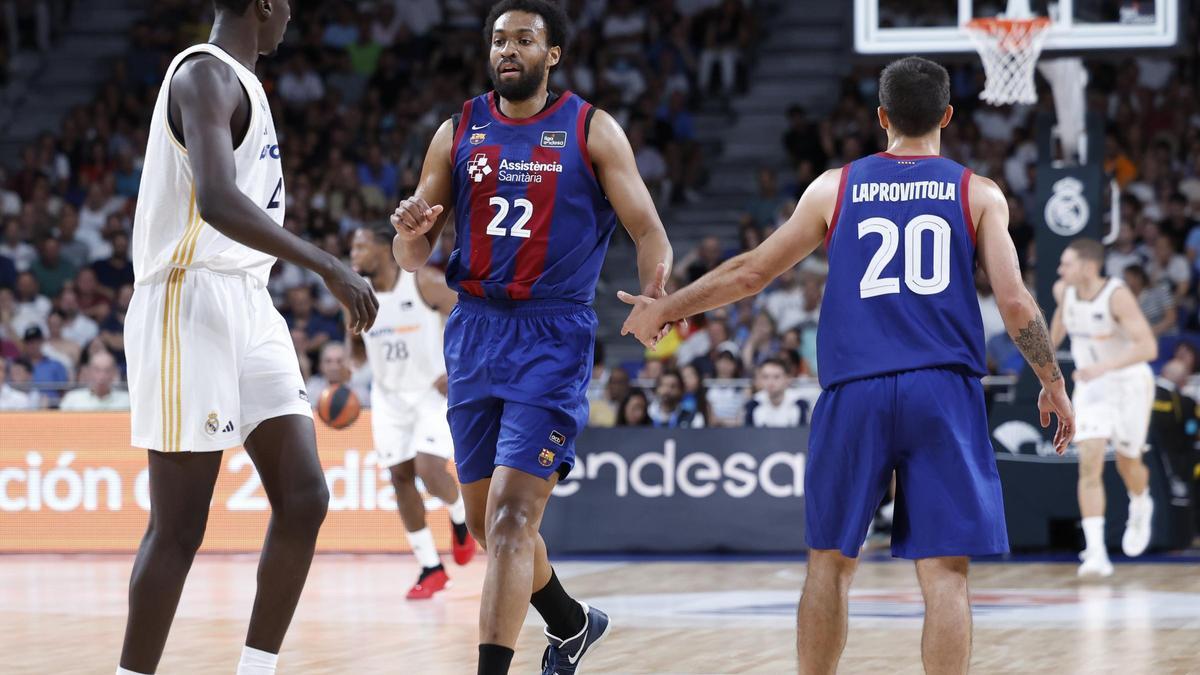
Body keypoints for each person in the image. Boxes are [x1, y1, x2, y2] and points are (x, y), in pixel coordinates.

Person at [619, 56, 1073, 674]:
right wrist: (1052, 380)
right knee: (944, 574)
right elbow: (1016, 303)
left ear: (881, 117)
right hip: (942, 390)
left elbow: (751, 271)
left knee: (829, 564)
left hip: (855, 389)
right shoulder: (978, 192)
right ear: (946, 114)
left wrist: (666, 309)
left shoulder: (835, 186)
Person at [389, 2, 672, 671]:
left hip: (552, 334)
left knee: (516, 522)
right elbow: (409, 256)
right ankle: (572, 623)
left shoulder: (591, 129)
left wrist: (656, 292)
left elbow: (649, 230)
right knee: (492, 527)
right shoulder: (458, 128)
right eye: (498, 39)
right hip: (475, 330)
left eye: (524, 39)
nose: (508, 49)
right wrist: (407, 232)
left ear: (554, 55)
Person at [116, 2, 378, 674]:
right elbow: (217, 200)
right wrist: (328, 264)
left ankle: (255, 670)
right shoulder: (203, 75)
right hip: (187, 294)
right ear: (262, 3)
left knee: (305, 497)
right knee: (179, 527)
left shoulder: (246, 79)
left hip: (247, 298)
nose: (292, 14)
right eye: (287, 2)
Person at [347, 222, 477, 599]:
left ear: (382, 249)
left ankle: (459, 519)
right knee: (400, 478)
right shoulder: (357, 296)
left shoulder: (423, 283)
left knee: (428, 469)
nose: (353, 257)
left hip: (431, 392)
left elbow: (469, 316)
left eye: (359, 247)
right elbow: (355, 350)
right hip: (388, 398)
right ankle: (431, 567)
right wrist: (344, 371)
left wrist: (458, 368)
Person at [1051, 238, 1158, 578]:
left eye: (1066, 263)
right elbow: (1055, 330)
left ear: (1087, 266)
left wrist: (1104, 367)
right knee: (1090, 461)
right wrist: (1045, 367)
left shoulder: (1116, 295)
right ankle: (1095, 552)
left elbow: (1148, 347)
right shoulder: (1063, 291)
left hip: (1128, 383)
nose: (1060, 269)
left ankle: (1140, 502)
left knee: (1129, 462)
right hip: (1091, 387)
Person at [745, 358, 809, 427]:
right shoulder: (753, 404)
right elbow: (748, 435)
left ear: (788, 379)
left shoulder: (800, 403)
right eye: (765, 377)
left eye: (776, 377)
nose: (770, 382)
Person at [60, 349, 130, 410]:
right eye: (97, 370)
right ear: (89, 372)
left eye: (107, 370)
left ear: (114, 372)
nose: (102, 376)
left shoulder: (127, 401)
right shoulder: (72, 399)